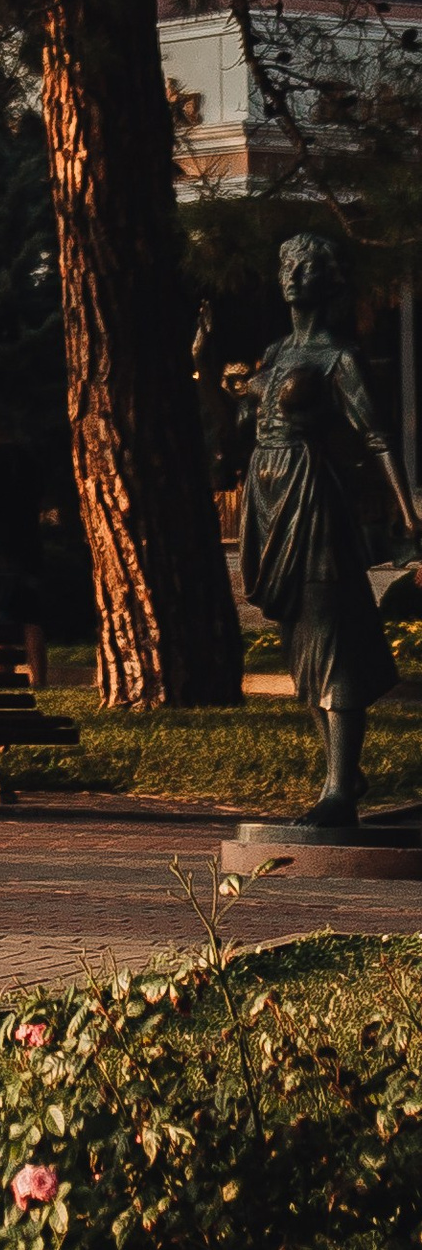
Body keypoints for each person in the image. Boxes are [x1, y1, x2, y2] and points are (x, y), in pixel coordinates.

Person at [227, 231, 422, 826]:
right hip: (265, 498)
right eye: (287, 264)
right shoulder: (275, 351)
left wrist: (409, 513)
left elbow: (377, 436)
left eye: (308, 267)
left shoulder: (340, 357)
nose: (294, 275)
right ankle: (344, 770)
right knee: (299, 642)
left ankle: (339, 788)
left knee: (329, 635)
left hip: (311, 496)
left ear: (328, 280)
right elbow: (241, 428)